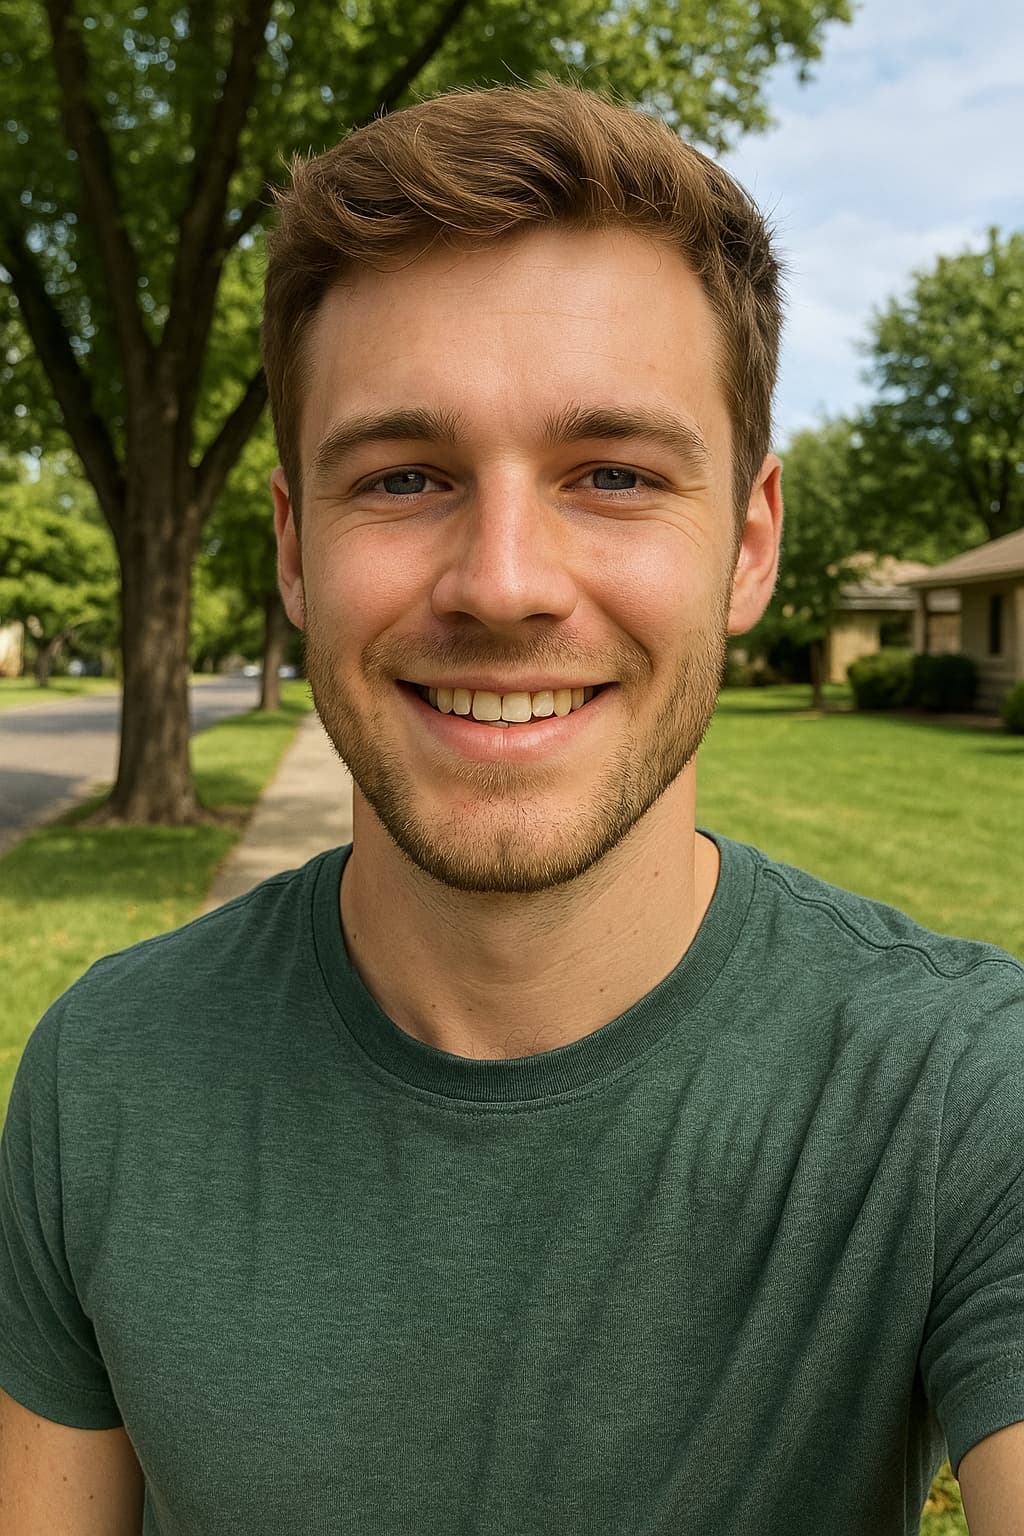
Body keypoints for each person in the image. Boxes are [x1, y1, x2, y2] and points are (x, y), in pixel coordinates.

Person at [1, 82, 1022, 1536]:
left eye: (611, 474)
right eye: (404, 476)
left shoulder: (962, 1097)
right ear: (295, 550)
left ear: (748, 546)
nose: (502, 580)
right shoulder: (106, 1078)